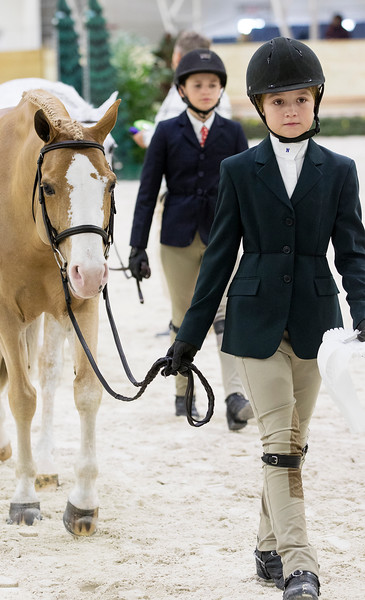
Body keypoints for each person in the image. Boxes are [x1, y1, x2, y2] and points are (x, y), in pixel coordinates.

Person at [163, 37, 365, 599]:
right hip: (253, 329)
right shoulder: (238, 170)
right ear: (259, 107)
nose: (291, 110)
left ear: (316, 101)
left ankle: (267, 542)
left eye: (300, 99)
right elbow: (218, 260)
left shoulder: (341, 170)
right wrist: (188, 338)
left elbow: (353, 252)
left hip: (315, 326)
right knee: (278, 437)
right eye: (278, 102)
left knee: (293, 442)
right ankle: (301, 564)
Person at [129, 48, 253, 428]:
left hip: (221, 236)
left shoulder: (232, 132)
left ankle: (233, 396)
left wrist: (254, 244)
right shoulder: (167, 133)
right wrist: (137, 246)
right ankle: (183, 390)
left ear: (220, 90)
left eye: (212, 84)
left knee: (225, 313)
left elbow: (248, 191)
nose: (205, 90)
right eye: (197, 84)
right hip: (177, 238)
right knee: (184, 317)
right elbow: (148, 191)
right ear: (182, 90)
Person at [131, 30, 232, 149]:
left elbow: (172, 137)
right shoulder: (220, 94)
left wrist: (146, 138)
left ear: (177, 56)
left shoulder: (185, 92)